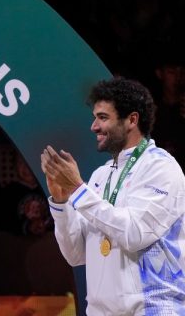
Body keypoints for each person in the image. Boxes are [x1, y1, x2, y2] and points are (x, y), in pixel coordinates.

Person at [41, 77, 185, 314]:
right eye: (95, 117)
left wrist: (78, 189)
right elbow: (76, 254)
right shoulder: (100, 176)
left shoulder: (160, 168)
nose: (94, 127)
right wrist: (62, 202)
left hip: (152, 308)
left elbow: (134, 233)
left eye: (103, 117)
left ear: (132, 120)